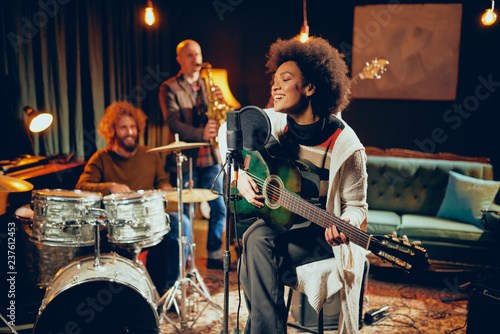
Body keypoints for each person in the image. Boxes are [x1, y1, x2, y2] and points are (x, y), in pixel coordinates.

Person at [221, 37, 368, 333]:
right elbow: (230, 128)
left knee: (254, 251)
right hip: (285, 225)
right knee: (255, 244)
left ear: (311, 87)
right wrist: (241, 175)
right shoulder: (276, 124)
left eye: (285, 80)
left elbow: (357, 206)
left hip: (321, 238)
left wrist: (345, 222)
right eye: (274, 80)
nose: (274, 87)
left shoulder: (347, 146)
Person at [76, 101, 190, 295]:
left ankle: (170, 288)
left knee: (183, 222)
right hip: (116, 223)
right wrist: (110, 186)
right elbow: (81, 187)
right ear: (112, 130)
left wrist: (168, 191)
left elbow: (163, 182)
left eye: (132, 127)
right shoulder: (101, 158)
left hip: (147, 220)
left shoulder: (150, 154)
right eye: (123, 128)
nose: (130, 132)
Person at [159, 39, 226, 269]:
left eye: (197, 54)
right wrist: (201, 133)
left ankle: (215, 255)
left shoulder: (209, 84)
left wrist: (221, 101)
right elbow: (173, 123)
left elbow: (221, 116)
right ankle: (185, 262)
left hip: (211, 157)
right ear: (179, 59)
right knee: (187, 209)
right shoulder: (169, 87)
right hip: (186, 159)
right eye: (190, 55)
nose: (196, 59)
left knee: (220, 207)